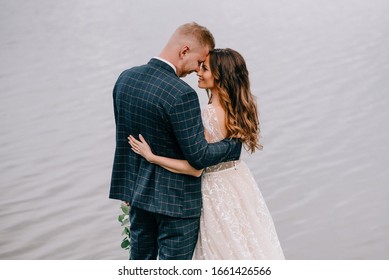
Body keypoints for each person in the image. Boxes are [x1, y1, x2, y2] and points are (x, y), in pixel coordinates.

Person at [129, 48, 285, 259]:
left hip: (214, 190)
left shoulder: (207, 114)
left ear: (220, 76)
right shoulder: (240, 109)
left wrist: (152, 157)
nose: (198, 72)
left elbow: (195, 168)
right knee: (246, 242)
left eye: (205, 68)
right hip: (238, 183)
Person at [109, 23, 242, 260]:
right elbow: (199, 157)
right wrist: (232, 146)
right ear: (184, 51)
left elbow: (123, 143)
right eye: (199, 61)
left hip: (138, 198)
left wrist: (129, 191)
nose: (197, 70)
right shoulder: (181, 94)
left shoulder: (125, 79)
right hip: (176, 206)